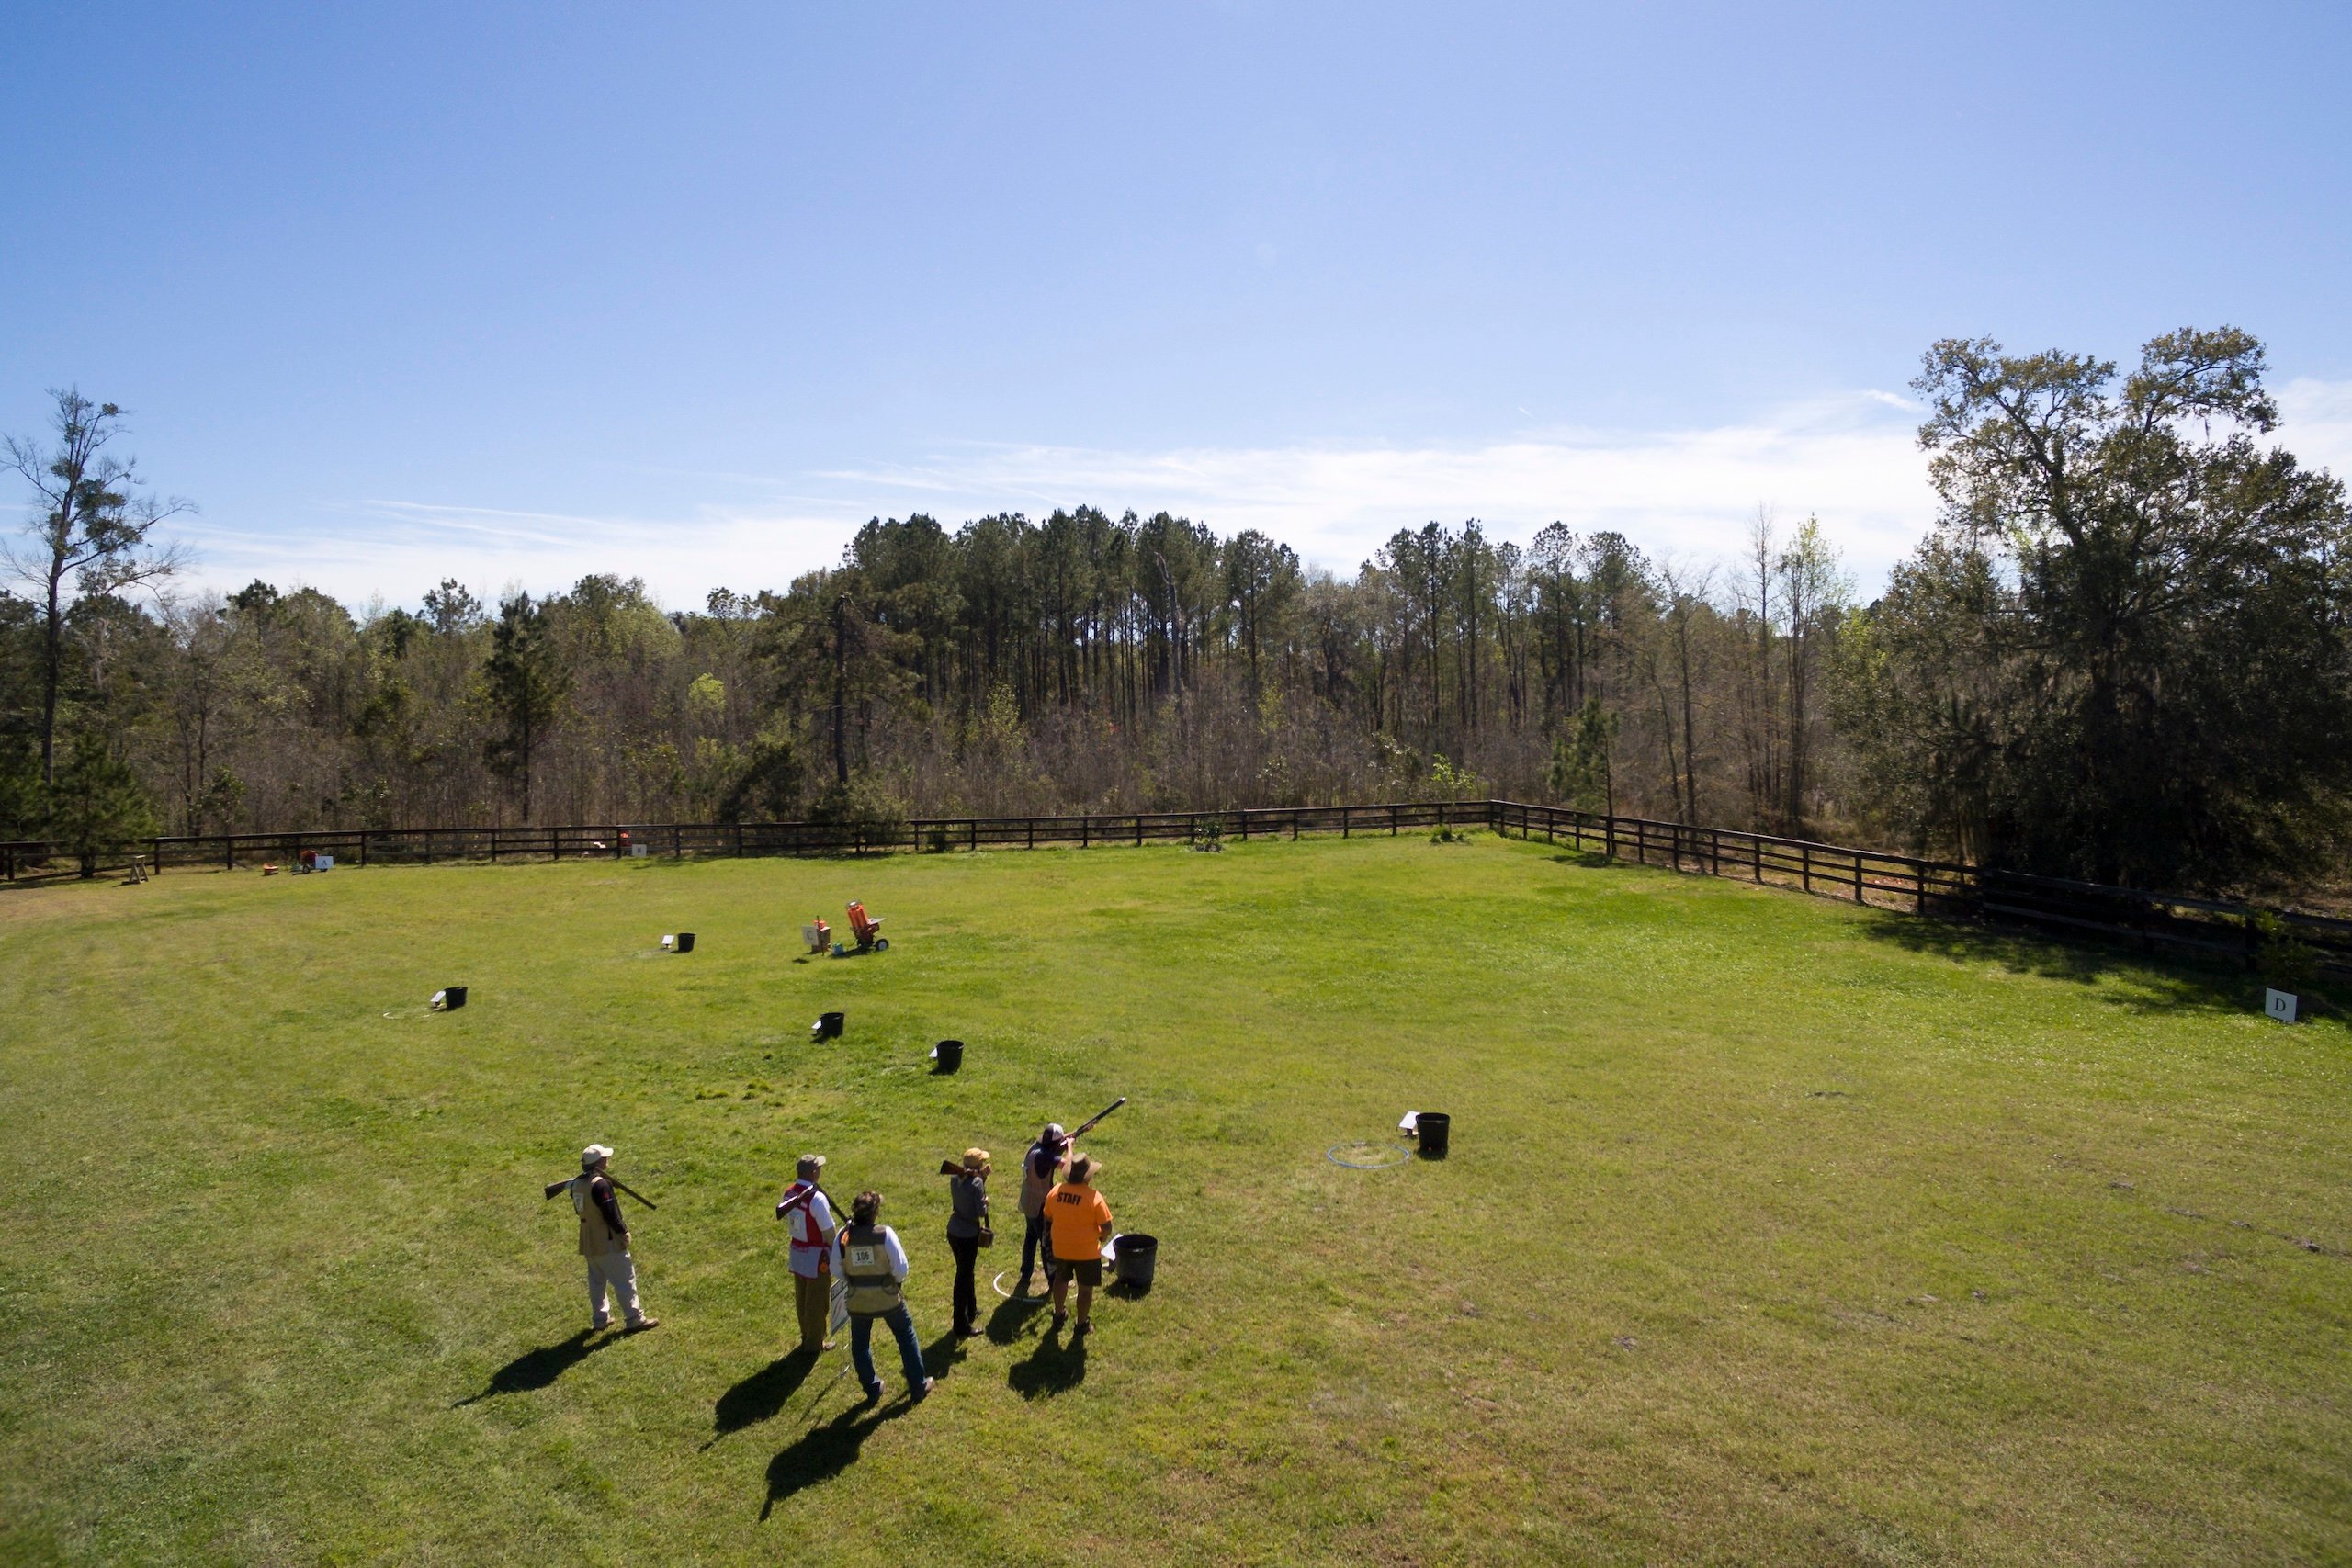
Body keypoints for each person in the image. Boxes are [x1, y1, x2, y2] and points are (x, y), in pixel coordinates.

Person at [832, 1190, 933, 1402]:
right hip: (887, 1297)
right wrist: (893, 1282)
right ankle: (918, 1385)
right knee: (905, 1334)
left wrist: (855, 1278)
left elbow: (836, 1268)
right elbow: (901, 1268)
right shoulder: (885, 1234)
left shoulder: (843, 1235)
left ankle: (872, 1388)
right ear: (875, 1213)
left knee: (860, 1344)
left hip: (858, 1299)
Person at [572, 1144, 659, 1334]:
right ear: (599, 1163)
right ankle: (635, 1319)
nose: (607, 1160)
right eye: (604, 1158)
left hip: (588, 1239)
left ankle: (600, 1319)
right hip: (607, 1238)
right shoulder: (601, 1185)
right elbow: (610, 1213)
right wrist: (623, 1231)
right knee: (624, 1279)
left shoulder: (577, 1184)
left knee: (596, 1281)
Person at [1046, 1154, 1114, 1337]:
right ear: (1088, 1176)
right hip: (1087, 1252)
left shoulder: (1055, 1191)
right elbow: (1107, 1226)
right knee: (1085, 1288)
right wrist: (1100, 1236)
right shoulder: (1095, 1198)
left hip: (1060, 1248)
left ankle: (1058, 1314)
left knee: (1060, 1279)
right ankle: (1081, 1324)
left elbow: (1048, 1216)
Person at [775, 1154, 839, 1352]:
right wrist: (838, 1251)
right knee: (817, 1301)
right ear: (813, 1172)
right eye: (818, 1168)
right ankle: (814, 1343)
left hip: (798, 1250)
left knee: (802, 1297)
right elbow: (828, 1232)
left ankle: (807, 1334)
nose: (820, 1170)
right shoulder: (816, 1199)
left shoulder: (789, 1193)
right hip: (817, 1256)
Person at [1015, 1123, 1070, 1297]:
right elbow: (1068, 1166)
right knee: (1047, 1244)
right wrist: (1070, 1146)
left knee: (1030, 1238)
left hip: (1028, 1202)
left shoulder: (1036, 1148)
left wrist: (1067, 1139)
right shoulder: (1045, 1156)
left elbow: (1052, 1152)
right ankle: (1053, 1281)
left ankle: (1025, 1273)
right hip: (1041, 1207)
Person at [944, 1148, 991, 1337]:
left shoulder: (955, 1177)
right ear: (978, 1166)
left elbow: (969, 1189)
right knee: (963, 1279)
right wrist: (986, 1202)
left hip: (954, 1230)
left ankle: (971, 1310)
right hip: (968, 1235)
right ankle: (961, 1324)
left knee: (966, 1271)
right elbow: (981, 1211)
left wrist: (981, 1179)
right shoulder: (977, 1182)